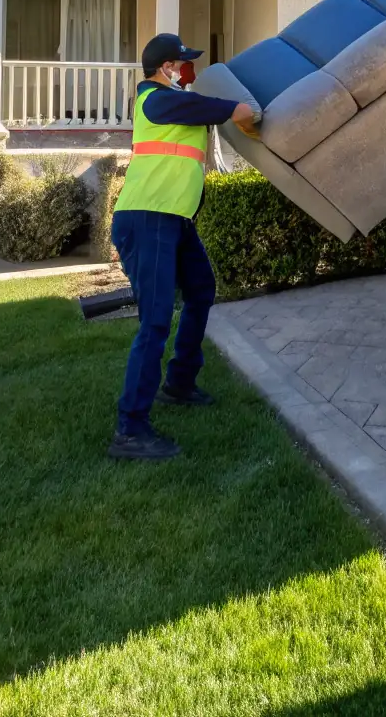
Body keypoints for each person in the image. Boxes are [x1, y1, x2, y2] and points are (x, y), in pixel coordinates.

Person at [109, 33, 258, 461]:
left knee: (201, 290)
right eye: (181, 65)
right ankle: (130, 430)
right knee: (154, 322)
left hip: (173, 219)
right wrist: (236, 109)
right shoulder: (155, 100)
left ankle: (179, 382)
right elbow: (204, 108)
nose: (186, 73)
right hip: (147, 218)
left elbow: (200, 113)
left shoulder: (174, 103)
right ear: (165, 68)